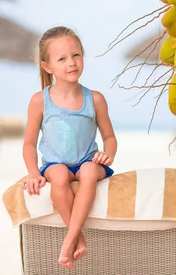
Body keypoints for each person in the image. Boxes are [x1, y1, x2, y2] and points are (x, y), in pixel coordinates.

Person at [20, 26, 117, 269]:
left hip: (88, 161)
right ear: (47, 66)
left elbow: (110, 137)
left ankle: (68, 241)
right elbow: (29, 144)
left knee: (87, 172)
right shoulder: (39, 101)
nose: (71, 63)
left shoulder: (94, 99)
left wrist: (108, 154)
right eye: (61, 59)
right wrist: (33, 173)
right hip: (54, 164)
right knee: (61, 174)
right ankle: (78, 238)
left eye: (76, 55)